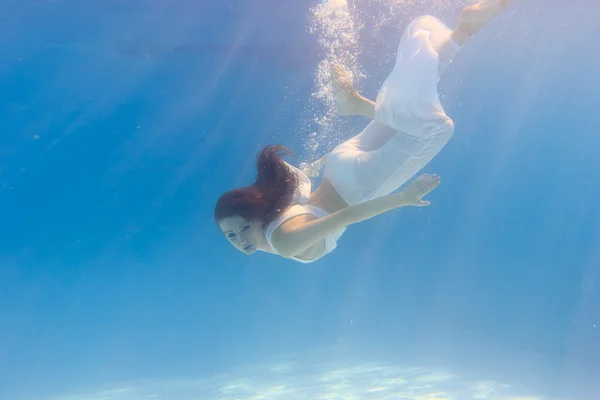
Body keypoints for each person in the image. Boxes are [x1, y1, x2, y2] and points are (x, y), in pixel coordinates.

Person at [214, 0, 515, 263]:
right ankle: (462, 32)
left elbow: (345, 216)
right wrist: (319, 163)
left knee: (436, 129)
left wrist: (403, 199)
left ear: (255, 217)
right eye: (231, 236)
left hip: (357, 187)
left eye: (242, 228)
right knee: (405, 105)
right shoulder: (276, 214)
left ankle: (357, 105)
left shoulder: (282, 241)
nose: (242, 239)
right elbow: (308, 186)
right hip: (338, 165)